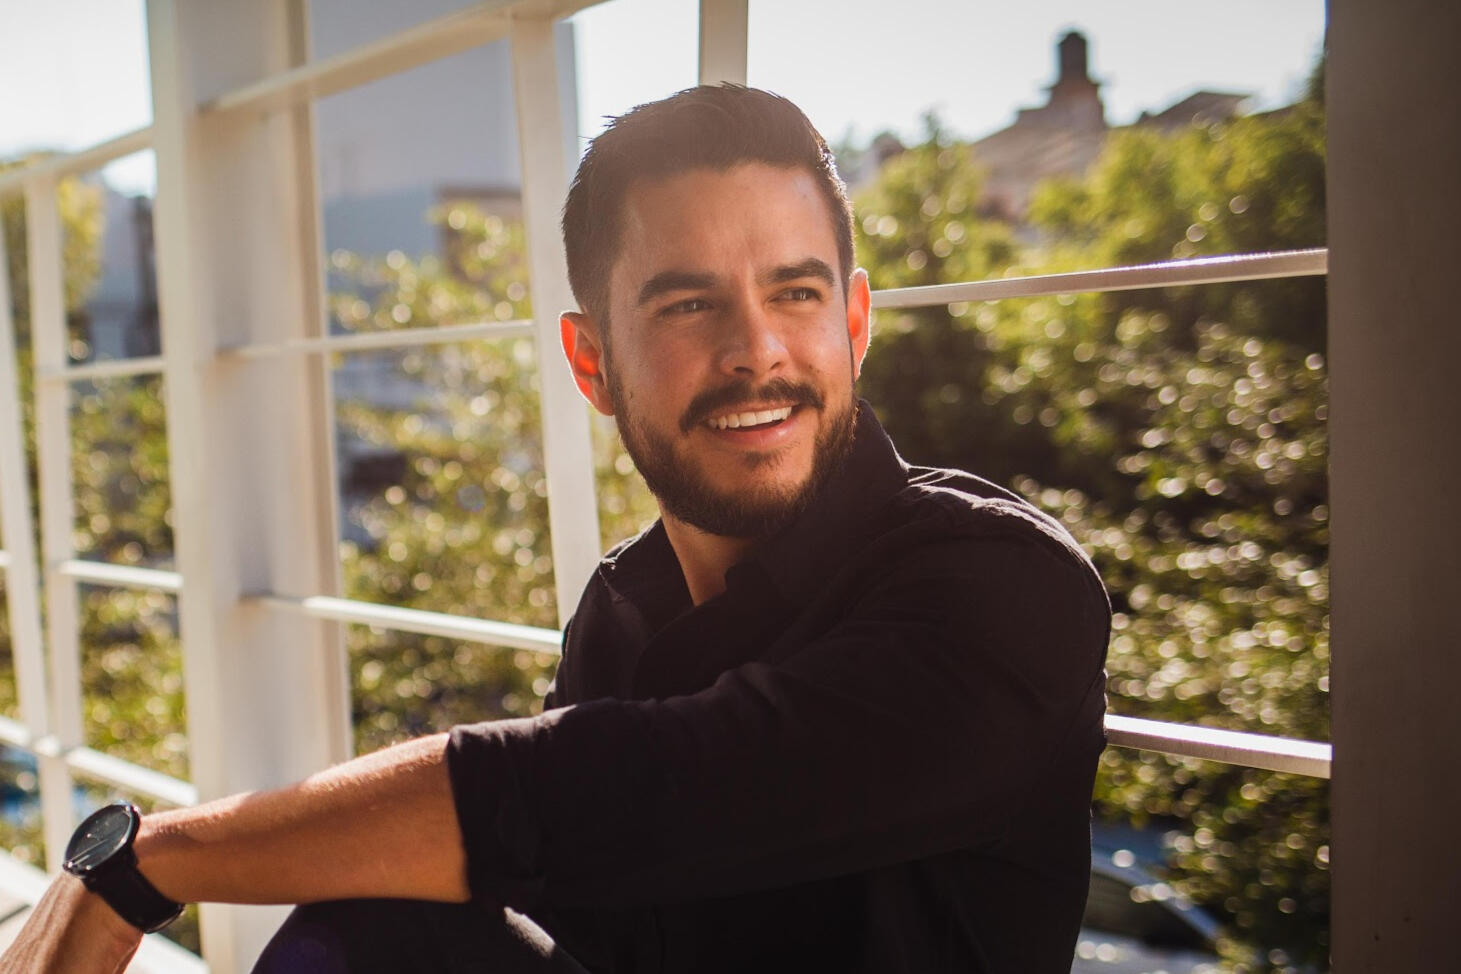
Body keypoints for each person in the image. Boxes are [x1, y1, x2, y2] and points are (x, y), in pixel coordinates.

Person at [0, 85, 1108, 974]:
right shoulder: (623, 611)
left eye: (796, 294)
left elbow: (621, 795)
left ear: (855, 322)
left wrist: (143, 863)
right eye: (689, 304)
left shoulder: (999, 583)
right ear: (592, 363)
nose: (756, 350)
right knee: (387, 934)